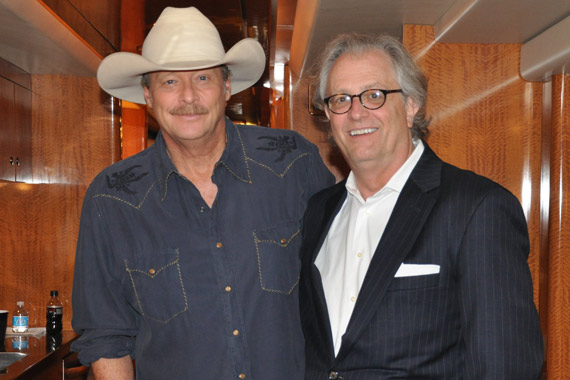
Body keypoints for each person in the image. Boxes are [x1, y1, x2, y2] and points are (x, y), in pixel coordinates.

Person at [71, 6, 334, 380]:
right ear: (148, 95)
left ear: (226, 87)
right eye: (169, 82)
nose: (188, 97)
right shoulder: (112, 198)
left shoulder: (292, 163)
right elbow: (105, 336)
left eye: (203, 78)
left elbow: (346, 277)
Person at [299, 33, 544, 379]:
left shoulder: (477, 209)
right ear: (328, 115)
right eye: (340, 99)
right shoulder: (318, 213)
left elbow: (506, 368)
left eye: (374, 95)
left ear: (411, 106)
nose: (356, 112)